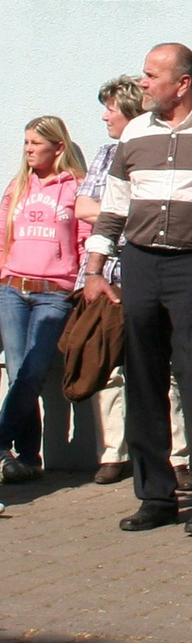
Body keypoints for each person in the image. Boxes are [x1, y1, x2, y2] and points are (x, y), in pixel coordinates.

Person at [83, 43, 192, 537]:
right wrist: (95, 267)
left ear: (182, 83)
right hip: (140, 264)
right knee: (142, 377)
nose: (141, 83)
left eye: (150, 76)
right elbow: (114, 208)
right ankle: (155, 496)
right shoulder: (136, 133)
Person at [75, 76, 192, 487]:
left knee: (168, 369)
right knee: (110, 367)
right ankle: (114, 452)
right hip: (109, 277)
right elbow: (85, 206)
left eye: (111, 108)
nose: (105, 116)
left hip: (157, 273)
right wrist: (130, 217)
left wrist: (125, 215)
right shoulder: (107, 153)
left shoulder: (165, 149)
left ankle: (177, 458)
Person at [0, 117, 88, 482]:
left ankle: (2, 445)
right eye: (25, 143)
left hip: (55, 294)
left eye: (36, 143)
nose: (29, 149)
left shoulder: (76, 189)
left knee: (33, 373)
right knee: (18, 372)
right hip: (13, 290)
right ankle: (29, 458)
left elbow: (84, 241)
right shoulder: (18, 186)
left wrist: (86, 286)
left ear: (58, 147)